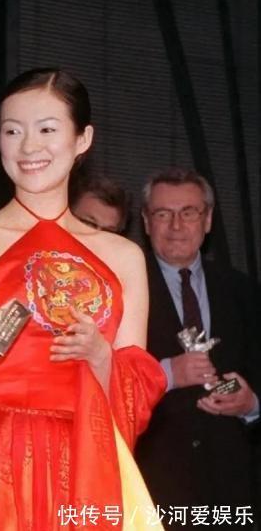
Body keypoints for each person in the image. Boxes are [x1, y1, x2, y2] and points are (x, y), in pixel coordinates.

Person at [0, 68, 167, 530]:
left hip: (92, 464)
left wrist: (100, 356)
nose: (28, 147)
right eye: (12, 131)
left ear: (82, 139)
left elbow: (138, 399)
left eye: (47, 130)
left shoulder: (123, 256)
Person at [135, 167, 259, 528]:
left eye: (189, 212)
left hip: (231, 490)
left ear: (207, 220)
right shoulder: (125, 288)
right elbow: (104, 376)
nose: (176, 226)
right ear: (146, 222)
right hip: (150, 488)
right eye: (163, 214)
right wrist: (167, 373)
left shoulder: (243, 290)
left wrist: (251, 404)